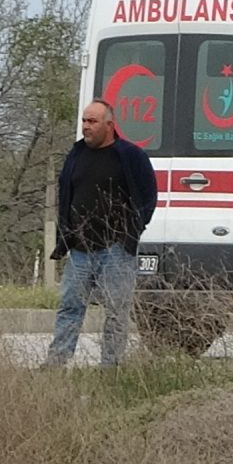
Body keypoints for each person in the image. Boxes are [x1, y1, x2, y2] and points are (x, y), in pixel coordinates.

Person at [47, 100, 157, 367]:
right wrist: (67, 233)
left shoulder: (131, 156)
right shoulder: (76, 154)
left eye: (92, 121)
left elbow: (148, 196)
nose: (86, 126)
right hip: (80, 250)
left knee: (116, 312)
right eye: (84, 121)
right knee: (70, 307)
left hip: (116, 250)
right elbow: (65, 194)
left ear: (109, 125)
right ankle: (56, 363)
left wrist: (132, 230)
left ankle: (111, 367)